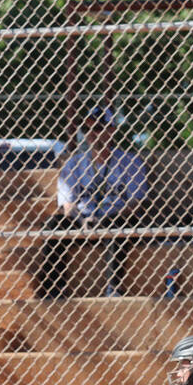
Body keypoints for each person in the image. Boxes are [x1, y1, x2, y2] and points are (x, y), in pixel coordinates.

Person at [35, 106, 148, 299]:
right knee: (54, 223)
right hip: (82, 219)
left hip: (116, 217)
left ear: (111, 130)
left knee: (115, 224)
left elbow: (136, 203)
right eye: (88, 129)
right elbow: (66, 204)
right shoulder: (74, 163)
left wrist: (105, 219)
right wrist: (83, 221)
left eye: (99, 128)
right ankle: (54, 287)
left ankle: (114, 288)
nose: (93, 134)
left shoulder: (130, 161)